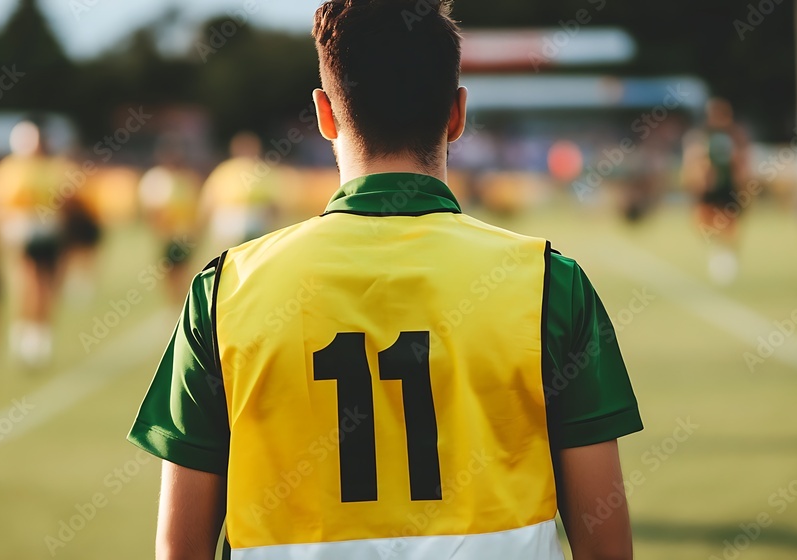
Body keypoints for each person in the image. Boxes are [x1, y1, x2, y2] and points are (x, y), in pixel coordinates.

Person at [128, 2, 642, 559]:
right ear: (457, 114)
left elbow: (179, 551)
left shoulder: (224, 291)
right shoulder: (550, 284)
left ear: (324, 114)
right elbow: (606, 549)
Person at [0, 119, 69, 367]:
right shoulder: (10, 168)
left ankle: (40, 335)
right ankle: (25, 335)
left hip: (49, 232)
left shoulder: (53, 167)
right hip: (22, 232)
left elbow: (63, 200)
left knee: (47, 287)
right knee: (29, 283)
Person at [682, 98, 751, 285]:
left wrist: (743, 184)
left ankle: (727, 259)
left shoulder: (735, 135)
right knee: (702, 224)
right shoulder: (701, 135)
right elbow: (692, 160)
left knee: (730, 228)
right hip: (709, 188)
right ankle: (719, 254)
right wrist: (697, 179)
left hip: (728, 187)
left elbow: (743, 161)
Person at [191, 131, 280, 272]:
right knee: (229, 258)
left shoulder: (263, 169)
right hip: (229, 215)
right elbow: (210, 197)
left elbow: (274, 200)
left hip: (255, 215)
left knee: (252, 257)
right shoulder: (226, 169)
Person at [139, 138, 203, 304]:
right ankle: (174, 302)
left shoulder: (187, 179)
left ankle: (182, 301)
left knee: (183, 270)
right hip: (167, 233)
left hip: (184, 233)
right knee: (168, 272)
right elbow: (150, 209)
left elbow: (195, 206)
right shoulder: (156, 178)